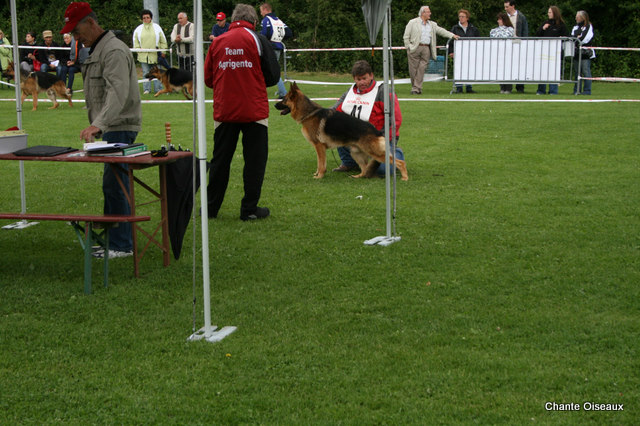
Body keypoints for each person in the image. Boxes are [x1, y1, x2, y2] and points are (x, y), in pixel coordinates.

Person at [61, 1, 142, 258]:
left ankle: (122, 245)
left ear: (91, 23)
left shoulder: (113, 51)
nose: (75, 37)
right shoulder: (99, 48)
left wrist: (99, 123)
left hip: (119, 127)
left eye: (77, 31)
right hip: (112, 127)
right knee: (112, 184)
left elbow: (118, 93)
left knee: (116, 185)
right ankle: (115, 241)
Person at [204, 3, 280, 221]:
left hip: (225, 109)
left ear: (232, 19)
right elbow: (273, 75)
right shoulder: (258, 39)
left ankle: (210, 209)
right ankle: (249, 210)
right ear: (254, 22)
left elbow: (208, 79)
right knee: (254, 161)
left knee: (220, 160)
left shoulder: (217, 42)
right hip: (254, 110)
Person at [331, 60, 403, 176]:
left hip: (380, 137)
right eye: (359, 80)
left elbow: (395, 119)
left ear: (371, 76)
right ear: (354, 79)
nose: (362, 82)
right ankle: (349, 162)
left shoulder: (383, 91)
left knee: (383, 172)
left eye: (364, 78)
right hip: (356, 138)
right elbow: (333, 111)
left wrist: (384, 139)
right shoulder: (350, 92)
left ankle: (395, 152)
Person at [403, 6, 459, 95]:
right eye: (428, 12)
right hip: (414, 48)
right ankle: (416, 88)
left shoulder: (432, 24)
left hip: (426, 48)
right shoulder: (413, 22)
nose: (430, 13)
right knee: (413, 69)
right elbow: (406, 36)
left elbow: (441, 31)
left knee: (422, 68)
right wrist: (408, 47)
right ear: (423, 13)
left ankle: (416, 88)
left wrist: (452, 35)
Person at [259, 3, 292, 98]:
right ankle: (282, 92)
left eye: (261, 10)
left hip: (270, 47)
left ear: (265, 10)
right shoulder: (279, 20)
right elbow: (289, 33)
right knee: (271, 69)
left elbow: (264, 34)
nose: (261, 13)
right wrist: (279, 38)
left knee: (268, 70)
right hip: (278, 46)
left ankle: (283, 93)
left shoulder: (266, 20)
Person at [133, 9, 168, 95]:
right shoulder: (138, 29)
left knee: (157, 73)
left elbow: (163, 40)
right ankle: (146, 89)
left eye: (147, 17)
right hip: (144, 56)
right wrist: (138, 50)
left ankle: (158, 89)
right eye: (144, 18)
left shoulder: (157, 27)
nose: (146, 19)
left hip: (156, 55)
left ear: (151, 18)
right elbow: (135, 41)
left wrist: (163, 51)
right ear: (142, 19)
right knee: (146, 72)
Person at [535, 6, 568, 95]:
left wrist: (562, 38)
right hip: (544, 51)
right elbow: (537, 34)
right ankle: (541, 90)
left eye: (550, 12)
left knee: (553, 71)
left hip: (555, 53)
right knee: (543, 70)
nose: (548, 14)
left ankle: (553, 90)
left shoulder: (561, 25)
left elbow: (566, 36)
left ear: (554, 13)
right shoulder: (545, 23)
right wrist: (543, 28)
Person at [448, 9, 481, 94]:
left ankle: (469, 87)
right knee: (459, 69)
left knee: (469, 69)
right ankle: (459, 88)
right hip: (458, 53)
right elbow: (451, 41)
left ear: (467, 18)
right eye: (460, 17)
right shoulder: (455, 28)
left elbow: (478, 41)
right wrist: (451, 52)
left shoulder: (473, 29)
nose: (461, 18)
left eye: (463, 16)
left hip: (470, 53)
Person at [503, 1, 528, 93]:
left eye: (507, 7)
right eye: (505, 7)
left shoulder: (521, 17)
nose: (505, 9)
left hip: (519, 45)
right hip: (507, 46)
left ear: (513, 6)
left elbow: (525, 32)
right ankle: (506, 87)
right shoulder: (504, 17)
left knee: (520, 66)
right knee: (506, 67)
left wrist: (525, 43)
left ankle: (520, 88)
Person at [490, 12, 515, 94]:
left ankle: (508, 88)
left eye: (499, 19)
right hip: (498, 52)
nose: (498, 21)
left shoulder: (510, 29)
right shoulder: (494, 30)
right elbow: (492, 36)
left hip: (508, 52)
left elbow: (506, 36)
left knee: (508, 70)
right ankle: (502, 87)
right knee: (500, 70)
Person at [571, 10, 595, 95]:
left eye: (577, 17)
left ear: (582, 18)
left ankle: (587, 90)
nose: (576, 18)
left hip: (585, 53)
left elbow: (585, 39)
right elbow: (573, 37)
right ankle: (576, 90)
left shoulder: (589, 26)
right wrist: (577, 38)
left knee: (586, 72)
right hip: (577, 52)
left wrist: (578, 38)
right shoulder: (576, 27)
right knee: (577, 72)